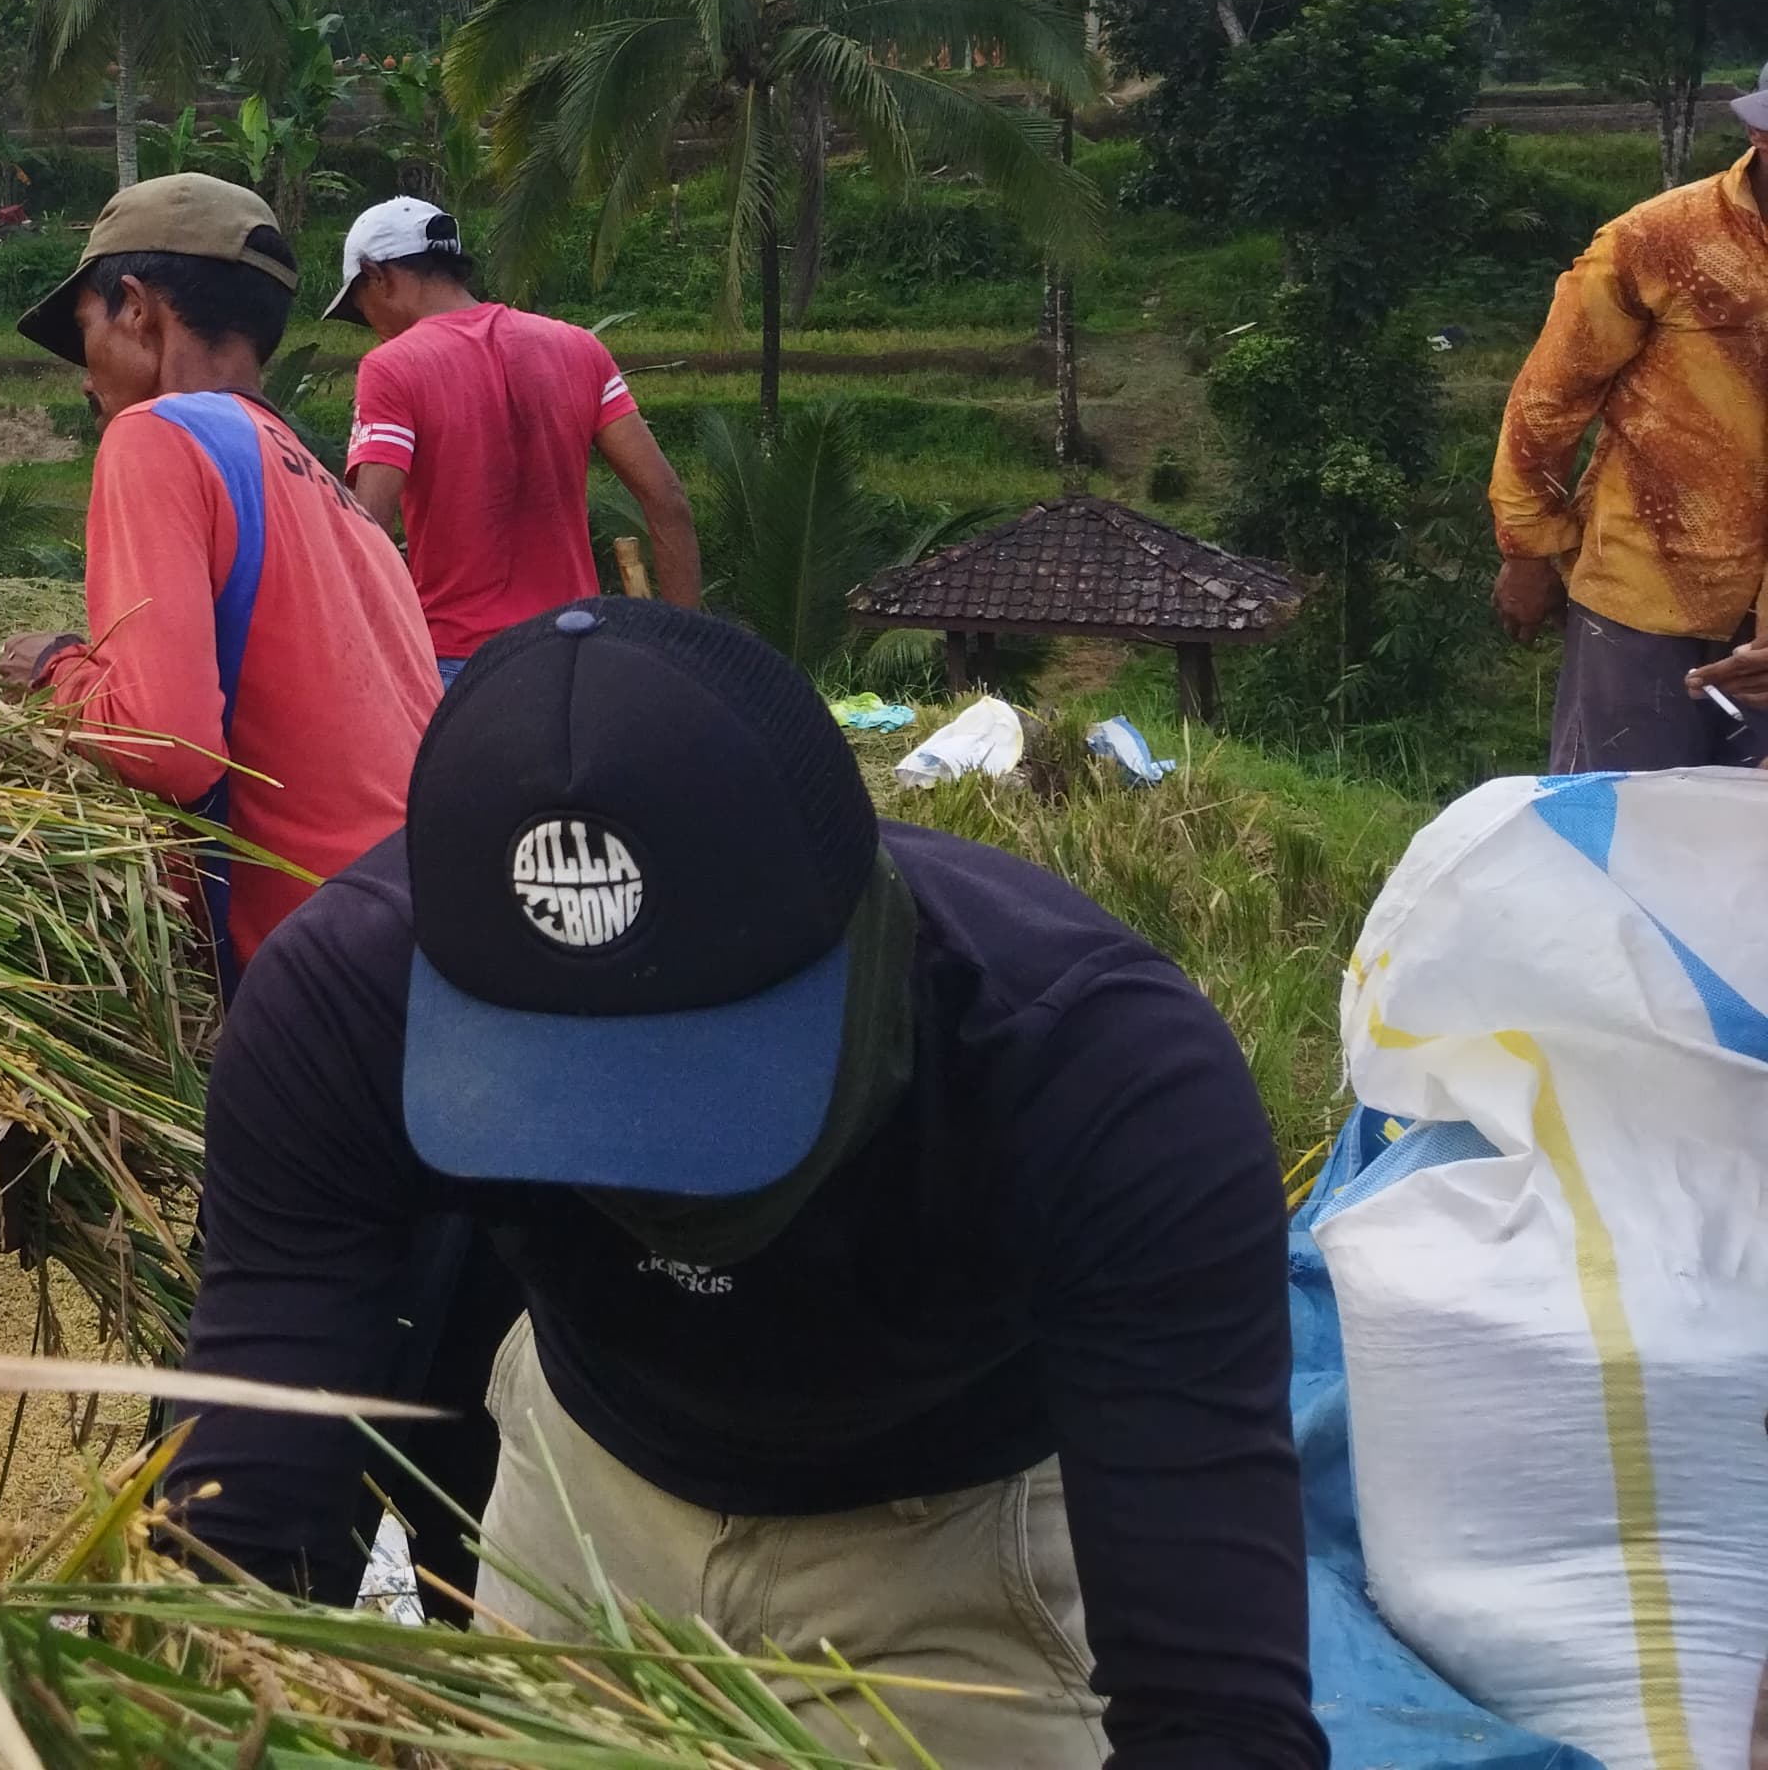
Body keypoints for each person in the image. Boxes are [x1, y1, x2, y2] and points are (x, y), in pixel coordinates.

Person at [172, 599, 1317, 1770]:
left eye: (699, 1089)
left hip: (957, 1538)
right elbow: (249, 1500)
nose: (652, 1186)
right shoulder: (349, 1006)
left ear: (866, 928)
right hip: (585, 1485)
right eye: (567, 1104)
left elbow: (1211, 1706)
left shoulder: (1097, 1075)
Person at [0, 176, 443, 982]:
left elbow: (170, 747)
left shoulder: (156, 437)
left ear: (137, 307)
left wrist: (54, 666)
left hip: (317, 961)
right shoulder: (334, 497)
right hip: (429, 920)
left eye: (87, 330)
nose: (87, 382)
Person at [1487, 62, 1768, 772]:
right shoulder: (1661, 242)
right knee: (1614, 830)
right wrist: (1527, 552)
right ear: (1760, 131)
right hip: (1644, 590)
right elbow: (1549, 403)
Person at [325, 195, 700, 680]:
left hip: (462, 664)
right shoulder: (578, 347)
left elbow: (370, 529)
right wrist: (689, 654)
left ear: (380, 278)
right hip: (576, 653)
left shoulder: (392, 368)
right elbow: (667, 499)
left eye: (362, 308)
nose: (371, 328)